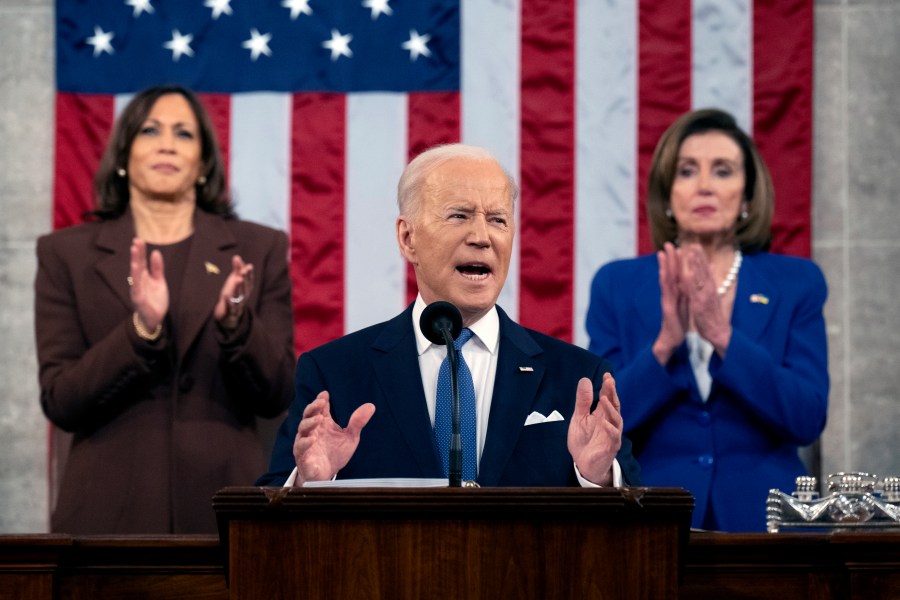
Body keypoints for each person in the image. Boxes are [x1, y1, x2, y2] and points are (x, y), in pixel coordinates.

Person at [258, 144, 640, 488]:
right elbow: (271, 507)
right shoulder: (335, 375)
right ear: (408, 239)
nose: (482, 236)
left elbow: (636, 520)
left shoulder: (578, 377)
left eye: (498, 219)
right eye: (459, 216)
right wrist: (311, 483)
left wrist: (598, 477)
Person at [34, 85, 296, 534]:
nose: (167, 143)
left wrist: (237, 325)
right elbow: (62, 400)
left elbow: (278, 393)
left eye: (184, 134)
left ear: (203, 162)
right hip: (107, 517)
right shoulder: (66, 255)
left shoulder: (258, 249)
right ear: (123, 154)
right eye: (150, 130)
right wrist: (141, 330)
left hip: (227, 515)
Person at [586, 108, 828, 531]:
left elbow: (806, 417)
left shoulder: (796, 282)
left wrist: (723, 337)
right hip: (651, 520)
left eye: (722, 171)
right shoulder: (617, 285)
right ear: (667, 195)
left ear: (748, 197)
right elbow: (597, 423)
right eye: (686, 171)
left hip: (768, 524)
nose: (704, 186)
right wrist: (663, 347)